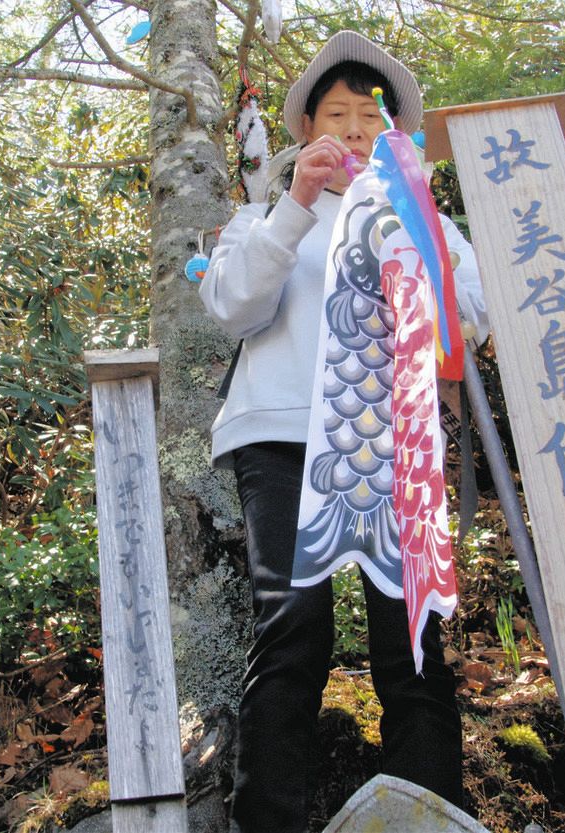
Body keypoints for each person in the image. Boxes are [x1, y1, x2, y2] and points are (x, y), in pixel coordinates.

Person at [200, 31, 487, 833]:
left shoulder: (422, 213)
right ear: (305, 131)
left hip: (395, 440)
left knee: (414, 634)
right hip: (283, 436)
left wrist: (422, 231)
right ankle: (269, 819)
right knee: (292, 627)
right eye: (337, 113)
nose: (355, 128)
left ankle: (425, 813)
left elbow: (472, 320)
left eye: (371, 115)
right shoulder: (260, 215)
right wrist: (295, 206)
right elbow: (233, 306)